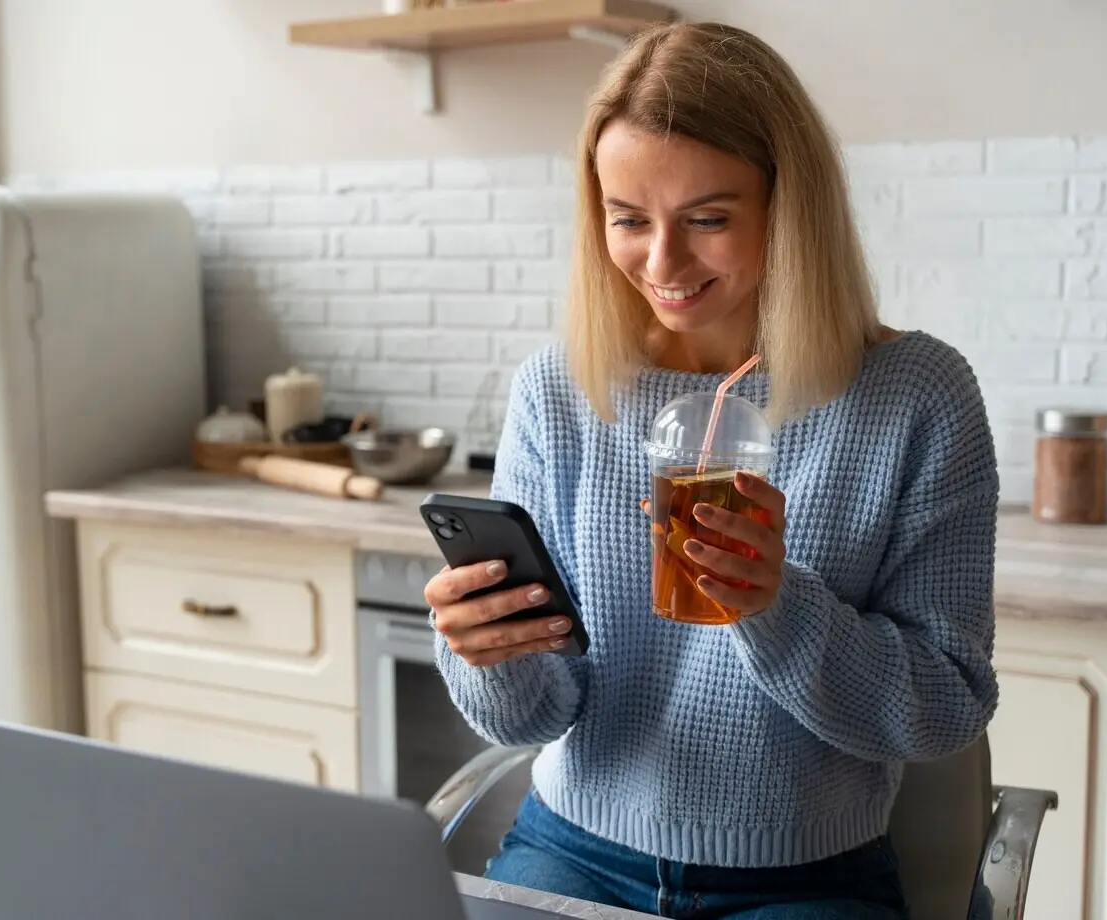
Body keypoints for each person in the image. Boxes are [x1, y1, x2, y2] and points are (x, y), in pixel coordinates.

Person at [424, 20, 999, 920]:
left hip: (806, 880)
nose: (662, 264)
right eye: (628, 220)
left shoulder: (917, 396)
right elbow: (534, 716)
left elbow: (945, 708)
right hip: (575, 851)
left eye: (708, 219)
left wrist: (776, 603)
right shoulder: (561, 388)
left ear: (789, 206)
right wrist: (488, 651)